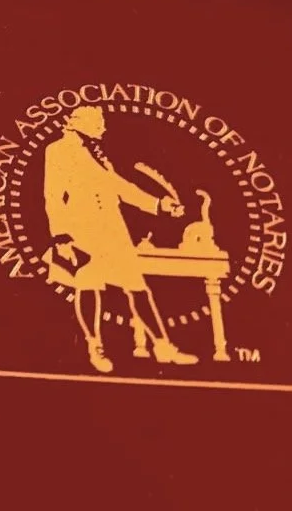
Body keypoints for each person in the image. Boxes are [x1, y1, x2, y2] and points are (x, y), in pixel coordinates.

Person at [42, 104, 198, 374]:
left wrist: (159, 205)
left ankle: (162, 346)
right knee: (89, 286)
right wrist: (61, 236)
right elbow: (53, 195)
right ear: (81, 123)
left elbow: (120, 187)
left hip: (113, 228)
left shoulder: (97, 153)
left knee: (137, 288)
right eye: (98, 122)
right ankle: (95, 347)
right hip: (82, 229)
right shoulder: (58, 150)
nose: (103, 126)